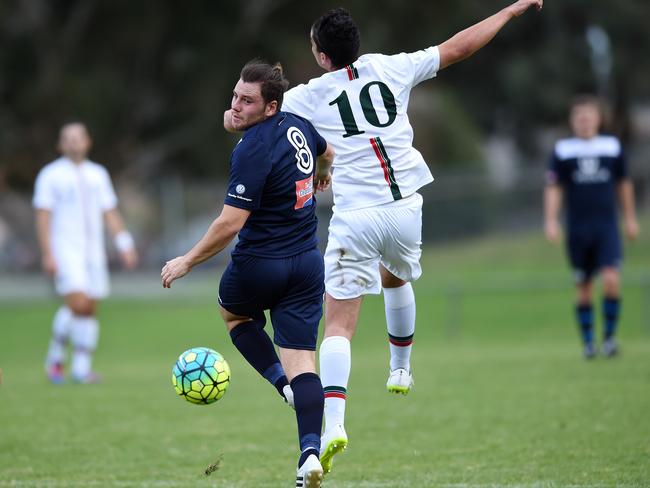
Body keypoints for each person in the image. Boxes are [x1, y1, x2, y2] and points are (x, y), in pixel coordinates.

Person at [226, 0, 543, 474]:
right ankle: (401, 368)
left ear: (321, 56)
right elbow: (458, 47)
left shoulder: (309, 96)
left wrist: (232, 119)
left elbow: (256, 115)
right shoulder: (391, 67)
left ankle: (333, 424)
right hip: (406, 208)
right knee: (395, 277)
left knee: (338, 324)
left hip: (356, 215)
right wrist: (509, 13)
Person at [162, 60, 335, 487]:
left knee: (235, 315)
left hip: (260, 264)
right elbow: (327, 152)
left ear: (270, 106)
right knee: (304, 361)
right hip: (307, 264)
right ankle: (310, 454)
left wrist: (186, 260)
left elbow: (229, 224)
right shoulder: (297, 124)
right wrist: (322, 176)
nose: (236, 105)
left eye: (247, 101)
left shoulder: (251, 149)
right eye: (235, 96)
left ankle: (282, 387)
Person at [33, 122, 138, 384]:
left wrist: (124, 243)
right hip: (66, 250)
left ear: (88, 142)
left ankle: (81, 368)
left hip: (93, 252)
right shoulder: (50, 175)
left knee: (89, 307)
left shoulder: (97, 174)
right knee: (77, 303)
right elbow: (43, 217)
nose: (73, 142)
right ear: (60, 144)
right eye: (68, 138)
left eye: (78, 137)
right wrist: (48, 253)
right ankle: (55, 360)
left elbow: (109, 211)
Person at [544, 96, 639, 359]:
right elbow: (554, 188)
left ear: (598, 118)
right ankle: (588, 343)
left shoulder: (612, 147)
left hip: (606, 226)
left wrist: (630, 218)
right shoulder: (563, 150)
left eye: (589, 115)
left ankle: (608, 339)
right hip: (577, 229)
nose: (584, 121)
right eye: (579, 116)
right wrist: (551, 220)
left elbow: (624, 183)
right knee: (583, 286)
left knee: (611, 279)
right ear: (572, 120)